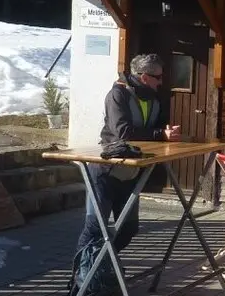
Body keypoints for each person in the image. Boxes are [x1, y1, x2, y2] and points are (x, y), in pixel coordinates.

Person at [75, 53, 181, 260]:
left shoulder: (155, 99)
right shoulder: (118, 94)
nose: (162, 82)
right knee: (95, 229)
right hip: (105, 170)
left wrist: (167, 131)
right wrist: (160, 134)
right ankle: (81, 280)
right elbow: (122, 131)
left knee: (128, 229)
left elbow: (156, 128)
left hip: (131, 171)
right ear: (144, 77)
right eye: (158, 77)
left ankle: (102, 267)